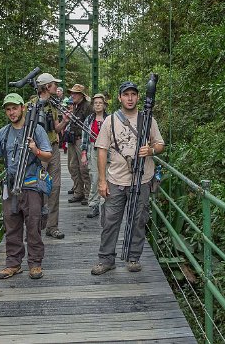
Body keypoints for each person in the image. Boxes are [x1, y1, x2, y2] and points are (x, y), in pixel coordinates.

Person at [0, 93, 52, 280]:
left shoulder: (36, 130)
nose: (12, 112)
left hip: (31, 185)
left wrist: (35, 150)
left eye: (14, 108)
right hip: (11, 185)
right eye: (8, 109)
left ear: (22, 108)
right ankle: (13, 264)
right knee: (11, 225)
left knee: (33, 225)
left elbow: (48, 155)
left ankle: (35, 264)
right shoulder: (3, 133)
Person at [91, 81, 165, 275]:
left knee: (138, 220)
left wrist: (150, 150)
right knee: (110, 221)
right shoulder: (110, 121)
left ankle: (133, 258)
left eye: (133, 94)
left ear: (138, 97)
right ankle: (106, 259)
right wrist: (101, 180)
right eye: (126, 94)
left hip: (142, 179)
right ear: (119, 98)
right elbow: (101, 150)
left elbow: (160, 144)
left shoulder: (148, 119)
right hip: (116, 180)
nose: (130, 98)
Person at [28, 73, 68, 239]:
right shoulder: (31, 104)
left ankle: (52, 226)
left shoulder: (53, 105)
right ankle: (36, 225)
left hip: (53, 148)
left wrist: (65, 121)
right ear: (46, 87)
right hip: (38, 151)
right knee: (38, 189)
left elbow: (56, 129)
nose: (56, 87)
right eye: (53, 84)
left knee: (55, 188)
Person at [80, 93, 109, 219]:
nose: (98, 105)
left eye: (100, 103)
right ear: (92, 105)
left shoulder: (109, 119)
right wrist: (84, 153)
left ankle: (106, 205)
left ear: (104, 105)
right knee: (95, 177)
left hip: (108, 150)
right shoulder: (89, 119)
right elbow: (84, 138)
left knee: (108, 177)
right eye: (95, 103)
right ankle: (94, 205)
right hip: (93, 149)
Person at [64, 84, 93, 203]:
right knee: (73, 167)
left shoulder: (88, 107)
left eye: (75, 93)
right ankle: (78, 192)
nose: (72, 95)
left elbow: (90, 125)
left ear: (81, 95)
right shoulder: (75, 106)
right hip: (72, 139)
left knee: (83, 168)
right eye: (71, 93)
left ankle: (88, 194)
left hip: (81, 140)